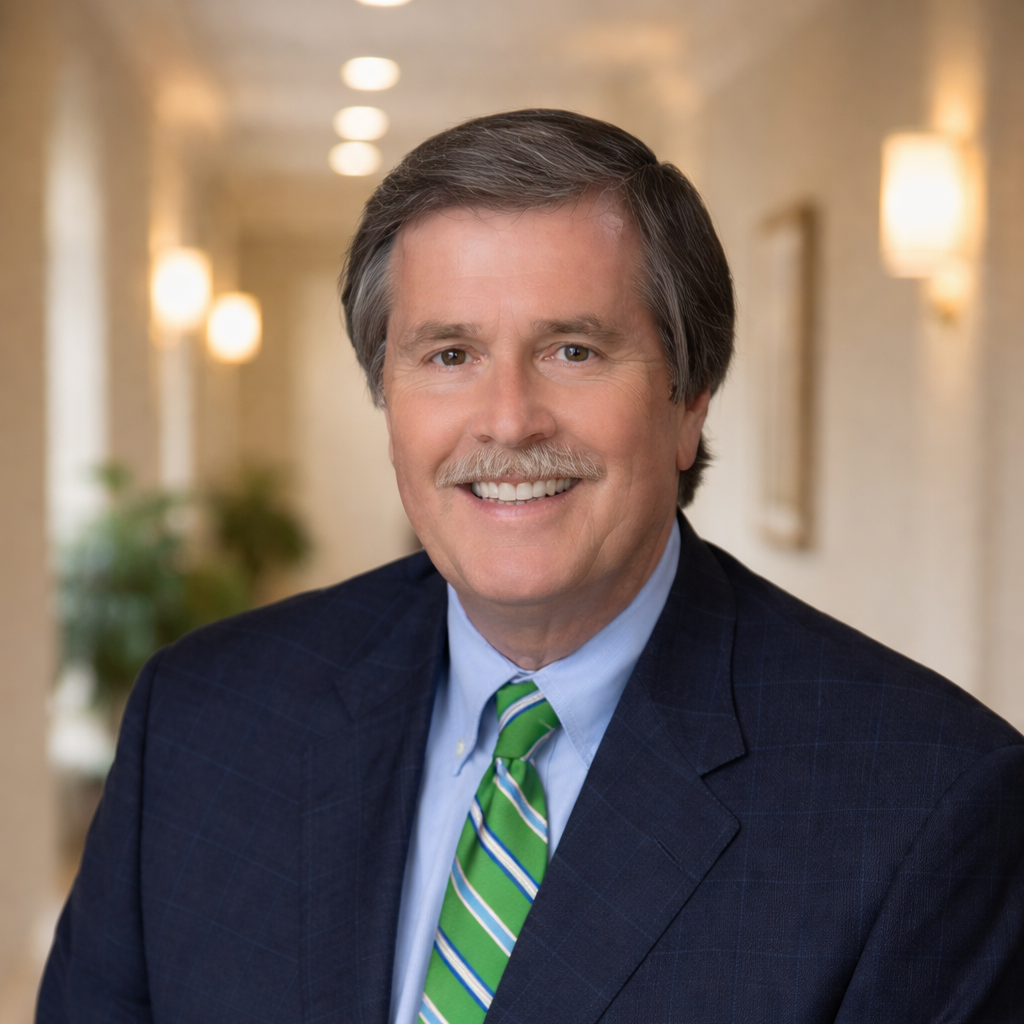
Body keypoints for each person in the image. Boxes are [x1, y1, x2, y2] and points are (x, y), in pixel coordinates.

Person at [39, 109, 1023, 1024]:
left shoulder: (924, 804)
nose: (508, 420)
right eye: (450, 354)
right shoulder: (202, 722)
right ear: (386, 394)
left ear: (690, 398)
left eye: (573, 350)